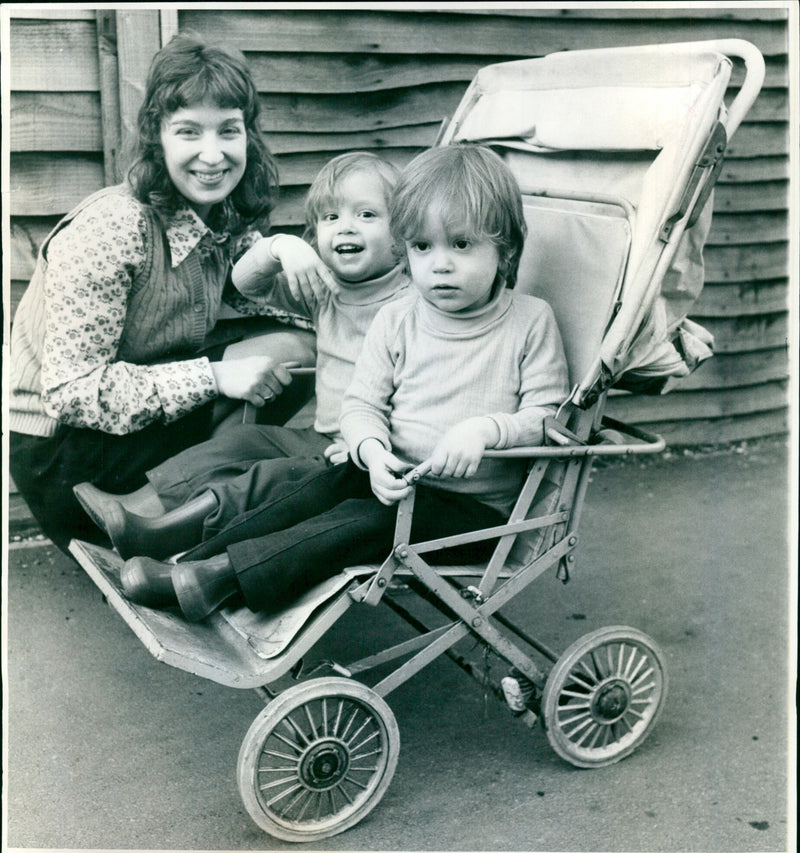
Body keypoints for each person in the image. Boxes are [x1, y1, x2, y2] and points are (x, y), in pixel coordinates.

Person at [117, 143, 571, 620]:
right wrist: (371, 453)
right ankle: (191, 566)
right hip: (391, 476)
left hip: (468, 513)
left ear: (507, 249)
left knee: (358, 521)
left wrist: (485, 430)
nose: (439, 264)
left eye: (461, 245)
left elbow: (549, 418)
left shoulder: (530, 321)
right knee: (306, 493)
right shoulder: (398, 318)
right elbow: (361, 406)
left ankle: (220, 579)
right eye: (422, 246)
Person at [8, 33, 326, 554]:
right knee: (264, 395)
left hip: (139, 428)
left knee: (292, 355)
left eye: (229, 130)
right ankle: (158, 518)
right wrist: (217, 375)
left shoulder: (217, 216)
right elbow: (71, 394)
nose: (213, 154)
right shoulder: (113, 227)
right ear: (157, 137)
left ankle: (185, 510)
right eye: (188, 132)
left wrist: (281, 249)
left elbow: (274, 314)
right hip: (66, 459)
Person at [72, 151, 409, 560]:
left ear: (403, 232)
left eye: (367, 215)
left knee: (263, 479)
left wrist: (369, 449)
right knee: (240, 442)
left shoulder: (415, 305)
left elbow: (424, 392)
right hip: (319, 437)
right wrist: (279, 246)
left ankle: (167, 537)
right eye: (331, 218)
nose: (346, 228)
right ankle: (132, 510)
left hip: (363, 457)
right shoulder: (326, 290)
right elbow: (247, 283)